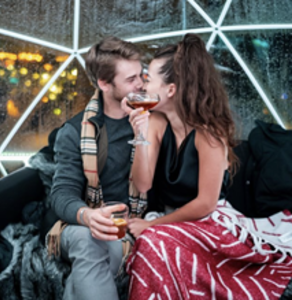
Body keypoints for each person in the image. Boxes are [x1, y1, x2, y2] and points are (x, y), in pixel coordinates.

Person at [122, 34, 292, 299]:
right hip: (173, 219)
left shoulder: (209, 134)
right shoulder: (155, 122)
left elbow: (206, 204)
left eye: (149, 79)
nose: (144, 85)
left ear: (171, 89)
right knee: (154, 242)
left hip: (210, 220)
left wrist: (153, 226)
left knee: (153, 242)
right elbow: (142, 184)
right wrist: (140, 135)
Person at [48, 36, 147, 300]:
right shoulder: (73, 132)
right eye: (130, 79)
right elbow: (61, 195)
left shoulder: (152, 122)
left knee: (96, 254)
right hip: (82, 227)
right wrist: (89, 217)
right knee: (88, 239)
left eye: (141, 75)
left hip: (124, 229)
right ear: (104, 83)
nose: (140, 84)